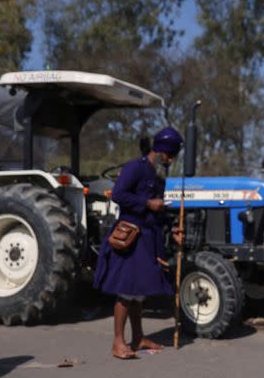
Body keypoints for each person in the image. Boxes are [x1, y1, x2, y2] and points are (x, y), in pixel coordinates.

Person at [93, 126, 184, 360]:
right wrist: (147, 203)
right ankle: (117, 343)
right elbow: (118, 194)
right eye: (170, 154)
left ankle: (138, 337)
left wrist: (172, 229)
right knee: (126, 291)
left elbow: (158, 214)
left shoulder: (158, 177)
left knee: (139, 293)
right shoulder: (135, 167)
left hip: (148, 240)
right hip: (130, 238)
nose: (171, 160)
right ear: (162, 151)